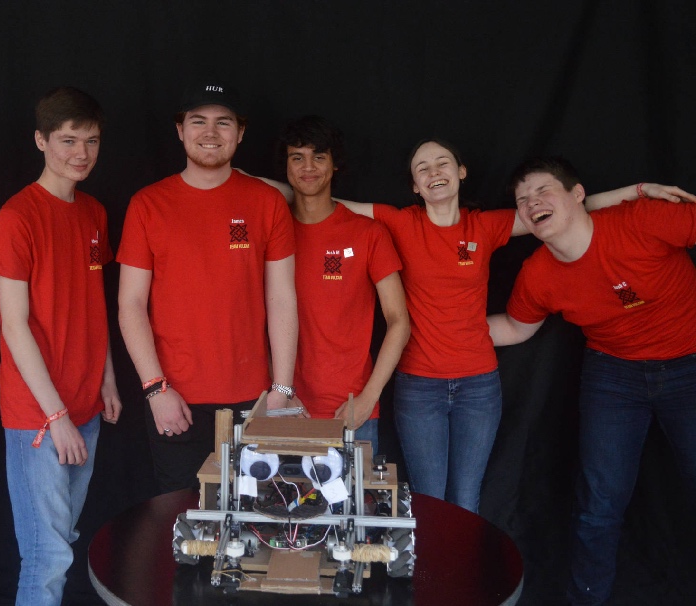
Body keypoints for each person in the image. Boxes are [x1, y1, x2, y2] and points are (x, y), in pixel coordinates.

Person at [327, 139, 689, 514]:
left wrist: (639, 190)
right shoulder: (400, 221)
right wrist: (261, 184)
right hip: (419, 387)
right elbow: (318, 200)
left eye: (443, 163)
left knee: (467, 501)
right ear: (415, 187)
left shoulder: (485, 225)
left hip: (479, 387)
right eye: (423, 168)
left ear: (461, 172)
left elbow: (566, 209)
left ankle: (463, 575)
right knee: (429, 501)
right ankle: (427, 574)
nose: (434, 172)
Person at [487, 157, 696, 605]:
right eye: (523, 200)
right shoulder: (538, 273)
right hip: (614, 375)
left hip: (689, 366)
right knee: (598, 506)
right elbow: (515, 328)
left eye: (543, 191)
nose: (532, 204)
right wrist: (433, 328)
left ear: (578, 194)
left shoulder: (643, 218)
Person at [117, 81, 298, 493]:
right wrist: (154, 389)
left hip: (254, 399)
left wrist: (282, 390)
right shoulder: (148, 204)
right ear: (180, 130)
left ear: (240, 133)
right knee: (184, 526)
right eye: (198, 121)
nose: (211, 132)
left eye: (223, 122)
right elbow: (130, 303)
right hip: (175, 397)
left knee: (254, 525)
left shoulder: (265, 202)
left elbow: (282, 298)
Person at [0, 87, 122, 605]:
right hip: (40, 417)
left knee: (61, 542)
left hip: (84, 404)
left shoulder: (92, 213)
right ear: (41, 141)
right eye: (68, 140)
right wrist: (56, 414)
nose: (80, 153)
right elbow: (13, 325)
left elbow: (93, 304)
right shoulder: (17, 217)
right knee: (46, 555)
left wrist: (106, 377)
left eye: (91, 140)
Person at [279, 116, 410, 453]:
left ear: (335, 165)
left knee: (355, 506)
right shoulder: (273, 233)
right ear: (286, 165)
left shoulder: (368, 234)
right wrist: (282, 393)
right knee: (283, 506)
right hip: (288, 407)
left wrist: (369, 397)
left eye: (319, 157)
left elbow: (399, 320)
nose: (308, 167)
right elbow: (253, 318)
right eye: (297, 157)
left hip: (353, 411)